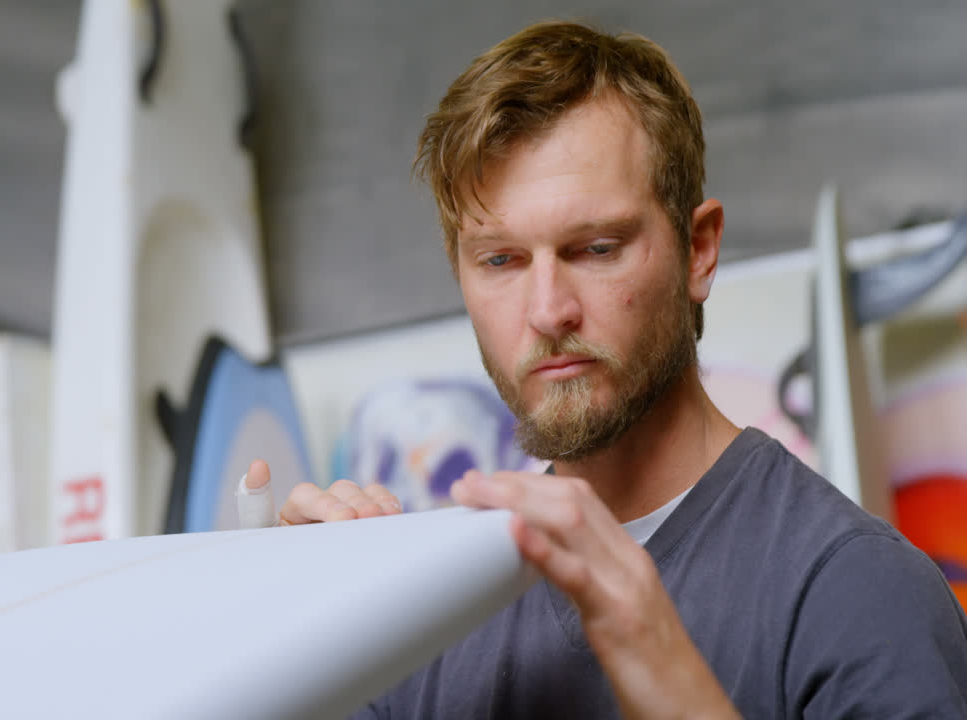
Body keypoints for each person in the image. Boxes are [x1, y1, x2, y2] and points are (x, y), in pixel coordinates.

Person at [245, 20, 967, 718]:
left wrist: (670, 679)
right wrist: (277, 648)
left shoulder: (857, 592)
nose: (548, 310)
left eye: (595, 248)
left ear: (699, 251)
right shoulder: (437, 610)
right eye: (501, 260)